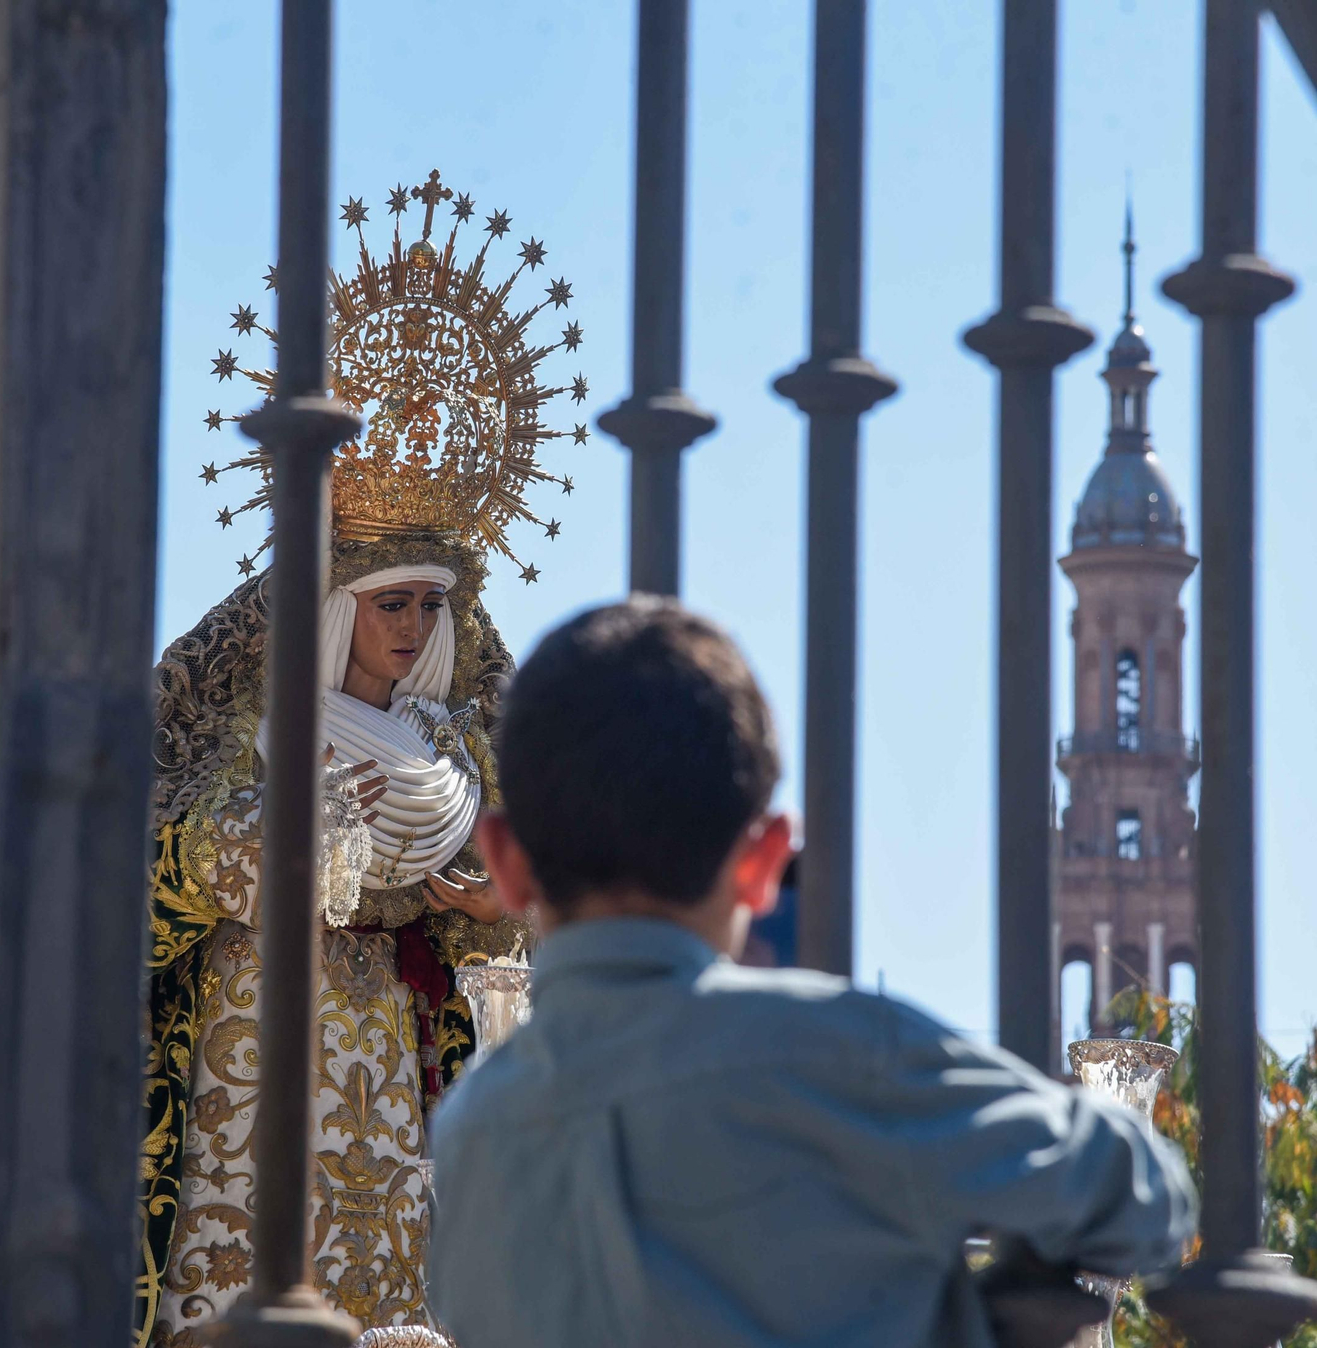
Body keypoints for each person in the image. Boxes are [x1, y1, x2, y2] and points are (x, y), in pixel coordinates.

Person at [428, 598, 1197, 1348]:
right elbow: (1147, 1197)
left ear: (504, 864)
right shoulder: (839, 1056)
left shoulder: (470, 1137)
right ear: (766, 862)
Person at [136, 170, 583, 1345]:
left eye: (433, 604)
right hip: (246, 1024)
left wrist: (490, 909)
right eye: (391, 600)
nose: (414, 626)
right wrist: (259, 843)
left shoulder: (461, 741)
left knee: (391, 1299)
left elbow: (513, 934)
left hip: (390, 1050)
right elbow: (136, 857)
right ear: (338, 608)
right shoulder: (240, 704)